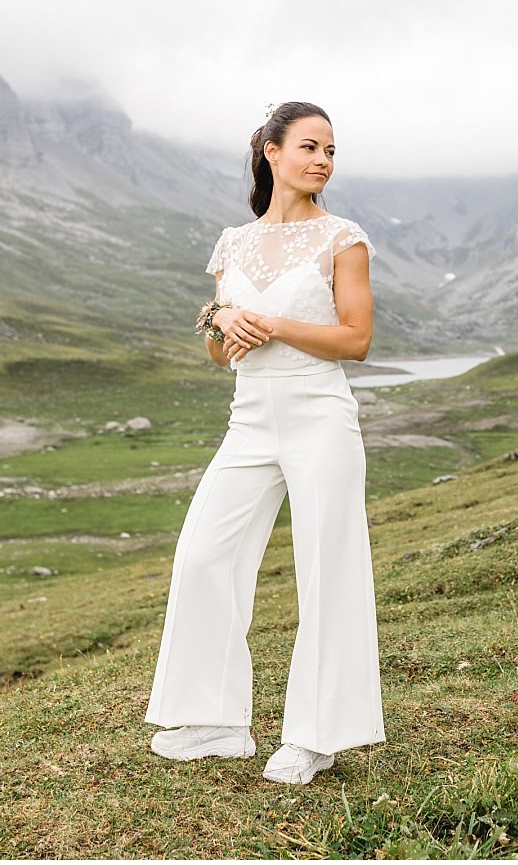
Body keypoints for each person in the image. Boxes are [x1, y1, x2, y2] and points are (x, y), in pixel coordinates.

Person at [144, 101, 386, 786]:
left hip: (320, 417)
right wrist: (221, 321)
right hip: (249, 421)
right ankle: (214, 721)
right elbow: (225, 358)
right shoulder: (234, 244)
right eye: (310, 146)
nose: (323, 160)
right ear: (271, 152)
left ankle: (316, 735)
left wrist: (272, 322)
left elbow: (356, 340)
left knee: (325, 567)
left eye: (332, 151)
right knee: (202, 555)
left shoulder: (345, 238)